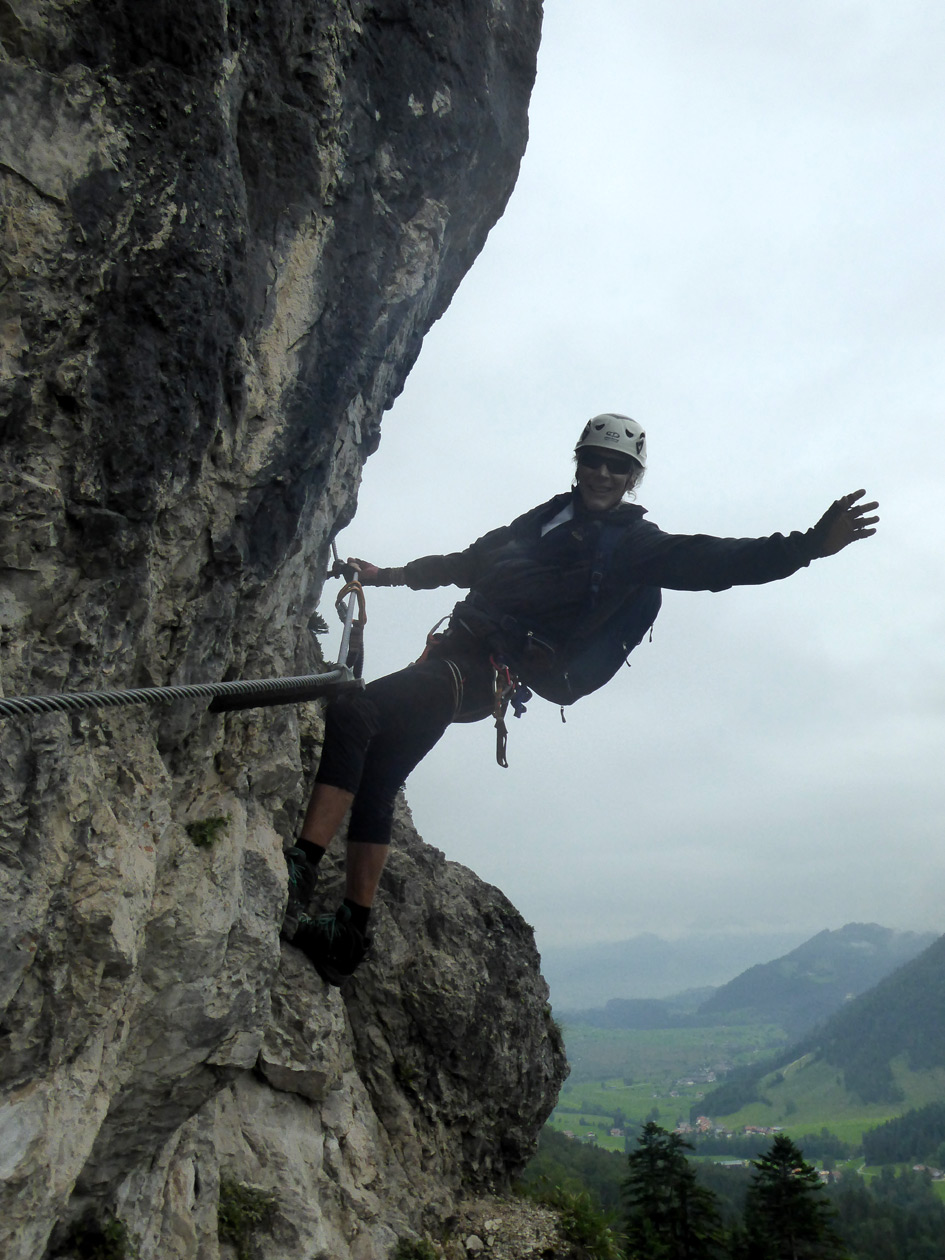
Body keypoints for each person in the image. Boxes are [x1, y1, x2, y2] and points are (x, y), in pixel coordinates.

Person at [285, 413, 879, 984]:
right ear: (578, 463)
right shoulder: (543, 518)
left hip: (485, 670)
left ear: (633, 478)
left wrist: (807, 545)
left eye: (618, 467)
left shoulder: (634, 545)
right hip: (456, 654)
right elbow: (468, 564)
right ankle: (349, 936)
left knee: (355, 711)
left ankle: (299, 872)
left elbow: (716, 561)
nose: (603, 474)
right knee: (380, 770)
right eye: (594, 460)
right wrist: (386, 575)